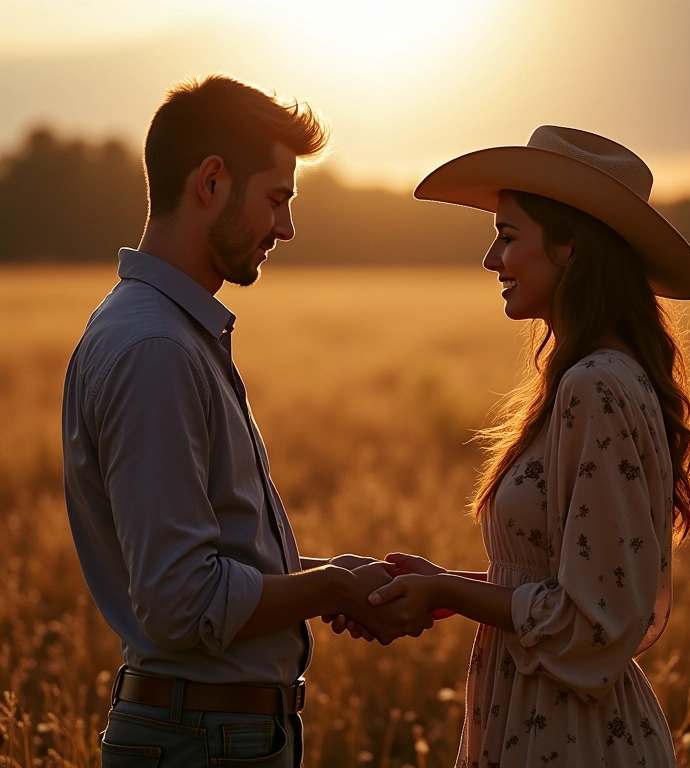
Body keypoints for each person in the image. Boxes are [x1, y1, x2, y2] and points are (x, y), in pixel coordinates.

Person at [61, 74, 433, 768]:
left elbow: (211, 568)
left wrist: (326, 573)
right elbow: (181, 600)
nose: (286, 227)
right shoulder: (157, 349)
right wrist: (329, 588)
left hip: (210, 734)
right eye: (276, 198)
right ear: (211, 182)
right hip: (200, 740)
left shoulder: (170, 333)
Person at [360, 125, 690, 766]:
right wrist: (446, 583)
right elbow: (555, 581)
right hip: (544, 719)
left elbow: (592, 621)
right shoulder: (597, 376)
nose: (491, 259)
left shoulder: (594, 385)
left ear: (570, 245)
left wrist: (451, 594)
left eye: (507, 235)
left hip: (569, 734)